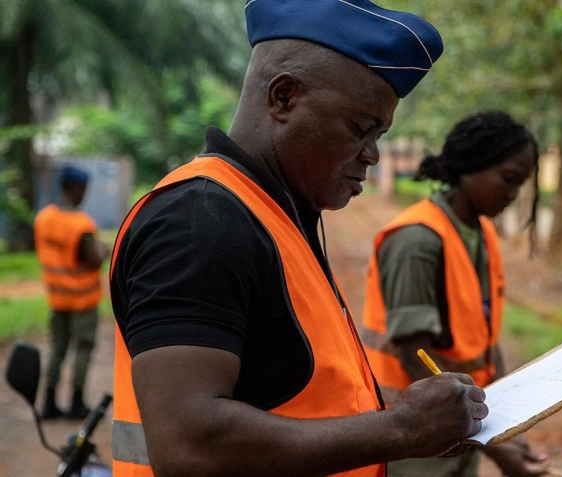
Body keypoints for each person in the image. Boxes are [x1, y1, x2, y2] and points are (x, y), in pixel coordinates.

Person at [108, 1, 488, 476]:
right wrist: (403, 430)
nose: (371, 154)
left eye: (380, 134)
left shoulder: (275, 214)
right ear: (283, 97)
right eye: (360, 128)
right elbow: (188, 445)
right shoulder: (199, 222)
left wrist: (413, 426)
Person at [362, 111, 548, 477]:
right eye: (508, 179)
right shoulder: (416, 240)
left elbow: (484, 338)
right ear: (470, 166)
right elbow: (416, 355)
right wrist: (491, 439)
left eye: (520, 184)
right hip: (413, 438)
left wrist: (502, 424)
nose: (512, 195)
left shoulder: (480, 233)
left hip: (462, 428)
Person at [34, 165, 109, 419]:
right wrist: (103, 249)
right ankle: (77, 403)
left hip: (57, 296)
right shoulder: (80, 224)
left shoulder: (43, 218)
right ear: (74, 188)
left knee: (58, 348)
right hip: (83, 298)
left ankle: (49, 403)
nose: (84, 194)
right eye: (84, 189)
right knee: (83, 348)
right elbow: (94, 259)